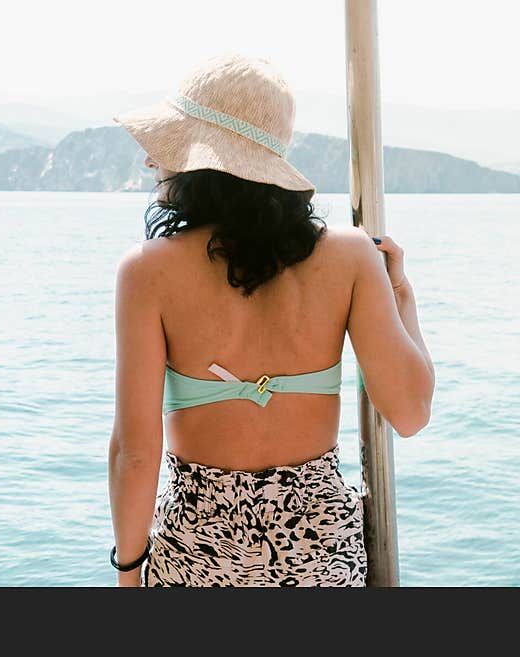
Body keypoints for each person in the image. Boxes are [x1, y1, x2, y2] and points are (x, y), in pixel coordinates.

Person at [107, 52, 435, 587]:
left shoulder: (148, 271)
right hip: (318, 561)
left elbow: (137, 453)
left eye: (168, 147)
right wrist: (401, 294)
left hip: (196, 558)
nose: (152, 163)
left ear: (199, 161)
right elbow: (411, 413)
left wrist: (127, 576)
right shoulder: (351, 257)